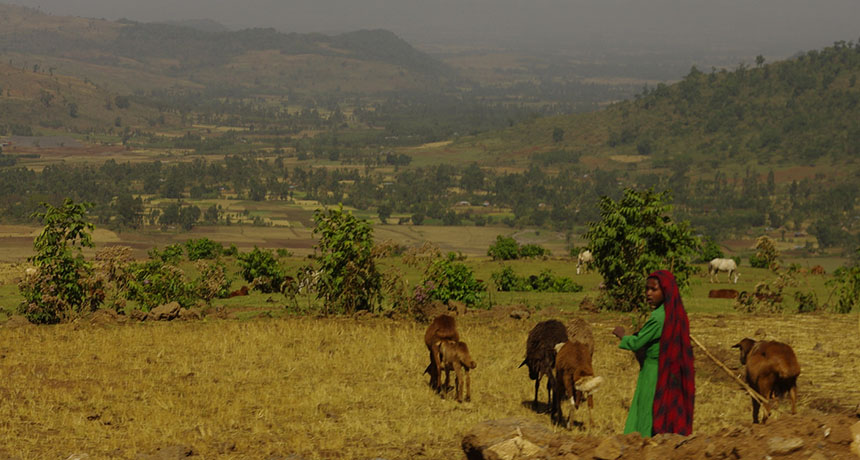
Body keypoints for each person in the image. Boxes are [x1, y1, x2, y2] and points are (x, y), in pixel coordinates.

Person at [612, 270, 695, 437]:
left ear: (666, 291)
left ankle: (643, 443)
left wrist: (621, 334)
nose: (648, 293)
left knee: (646, 409)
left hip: (654, 371)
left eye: (654, 289)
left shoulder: (658, 318)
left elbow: (637, 343)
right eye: (647, 289)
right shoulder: (676, 313)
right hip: (672, 371)